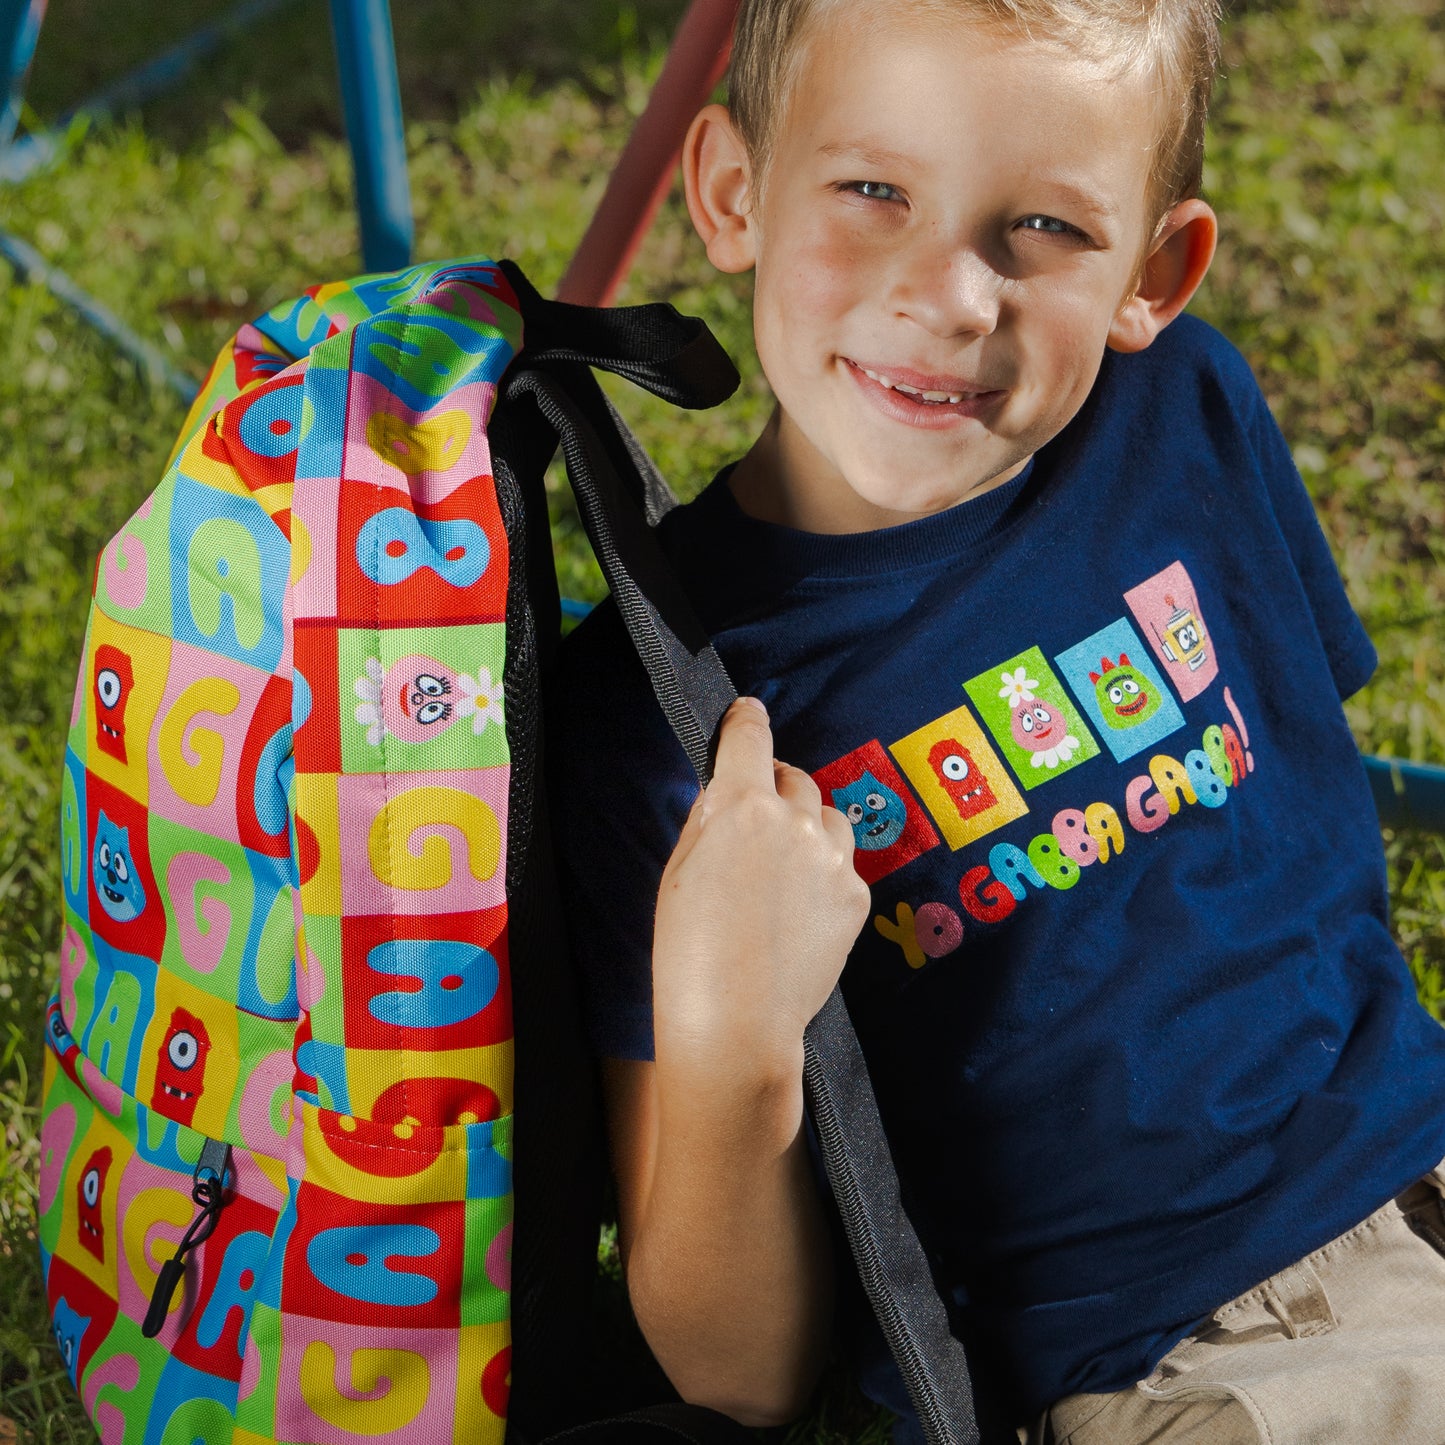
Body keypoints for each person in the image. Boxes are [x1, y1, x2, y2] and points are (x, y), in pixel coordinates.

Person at [545, 0, 1445, 1440]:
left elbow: (1307, 852)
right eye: (872, 191)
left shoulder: (1183, 413)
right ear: (730, 193)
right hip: (1178, 1362)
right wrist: (728, 1030)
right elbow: (736, 1371)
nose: (952, 296)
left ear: (1155, 271)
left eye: (1041, 229)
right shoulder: (660, 720)